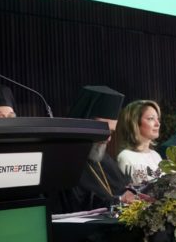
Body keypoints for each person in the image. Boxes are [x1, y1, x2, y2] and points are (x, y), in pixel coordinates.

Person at [56, 85, 137, 213]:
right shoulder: (61, 162)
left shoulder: (105, 159)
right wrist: (118, 201)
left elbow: (121, 190)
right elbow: (75, 204)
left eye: (111, 131)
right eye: (102, 129)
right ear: (83, 124)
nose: (108, 138)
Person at [116, 100, 162, 185]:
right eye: (151, 118)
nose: (158, 124)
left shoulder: (156, 155)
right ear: (134, 123)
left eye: (158, 119)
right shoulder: (126, 157)